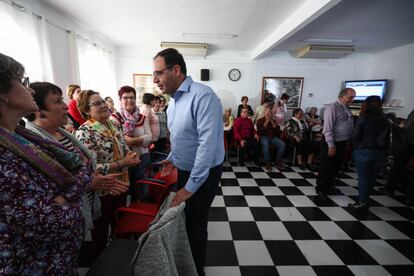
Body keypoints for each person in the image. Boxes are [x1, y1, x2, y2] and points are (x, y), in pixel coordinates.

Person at [0, 53, 90, 274]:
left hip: (59, 261)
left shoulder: (22, 137)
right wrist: (70, 197)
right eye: (23, 82)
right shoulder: (4, 157)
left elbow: (84, 167)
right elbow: (51, 221)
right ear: (2, 94)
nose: (30, 90)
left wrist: (63, 198)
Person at [153, 48, 224, 276]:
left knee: (195, 225)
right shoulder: (173, 101)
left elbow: (207, 145)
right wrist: (172, 159)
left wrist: (189, 188)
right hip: (185, 170)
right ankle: (186, 264)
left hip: (202, 174)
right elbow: (181, 137)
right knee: (184, 222)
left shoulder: (203, 96)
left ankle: (196, 270)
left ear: (176, 70)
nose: (155, 79)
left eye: (159, 73)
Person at [76, 90, 140, 258]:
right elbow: (91, 168)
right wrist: (122, 163)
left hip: (121, 184)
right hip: (102, 190)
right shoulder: (85, 132)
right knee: (101, 232)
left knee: (119, 224)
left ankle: (118, 258)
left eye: (103, 101)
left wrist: (131, 157)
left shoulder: (114, 124)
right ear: (86, 111)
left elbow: (125, 149)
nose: (104, 105)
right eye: (96, 103)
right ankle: (100, 265)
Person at [110, 85, 152, 202]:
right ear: (120, 100)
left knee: (142, 187)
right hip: (124, 159)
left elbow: (150, 137)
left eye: (132, 97)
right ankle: (130, 211)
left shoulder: (143, 117)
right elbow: (117, 141)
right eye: (125, 97)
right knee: (127, 188)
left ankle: (142, 209)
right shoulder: (114, 118)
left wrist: (132, 141)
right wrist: (141, 139)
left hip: (143, 157)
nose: (129, 100)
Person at [348, 96, 390, 211]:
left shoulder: (363, 118)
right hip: (379, 152)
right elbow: (386, 139)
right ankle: (366, 197)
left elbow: (356, 136)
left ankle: (362, 202)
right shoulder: (385, 120)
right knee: (372, 176)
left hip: (364, 151)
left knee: (363, 178)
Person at [316, 88, 356, 199]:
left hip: (342, 142)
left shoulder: (346, 108)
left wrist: (347, 140)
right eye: (350, 97)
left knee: (336, 165)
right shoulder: (332, 108)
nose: (352, 99)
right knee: (327, 166)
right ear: (342, 96)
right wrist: (331, 145)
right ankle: (321, 189)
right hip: (332, 142)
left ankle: (329, 185)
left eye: (353, 97)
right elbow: (327, 128)